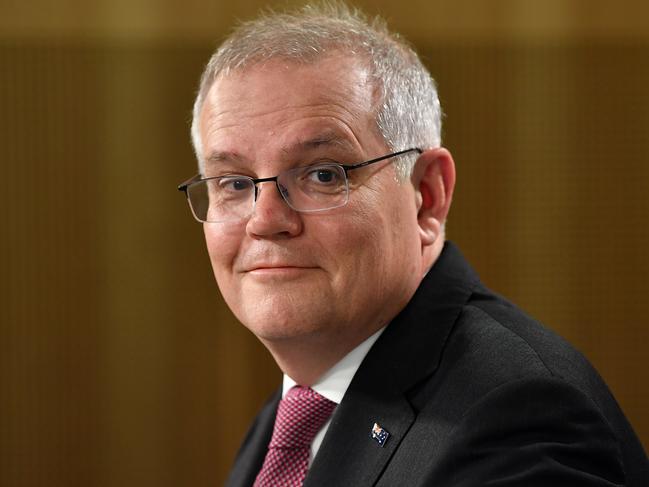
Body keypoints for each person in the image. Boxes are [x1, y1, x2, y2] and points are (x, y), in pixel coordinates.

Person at [178, 3, 649, 486]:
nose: (265, 220)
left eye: (323, 174)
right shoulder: (293, 417)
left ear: (426, 197)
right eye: (234, 183)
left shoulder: (517, 420)